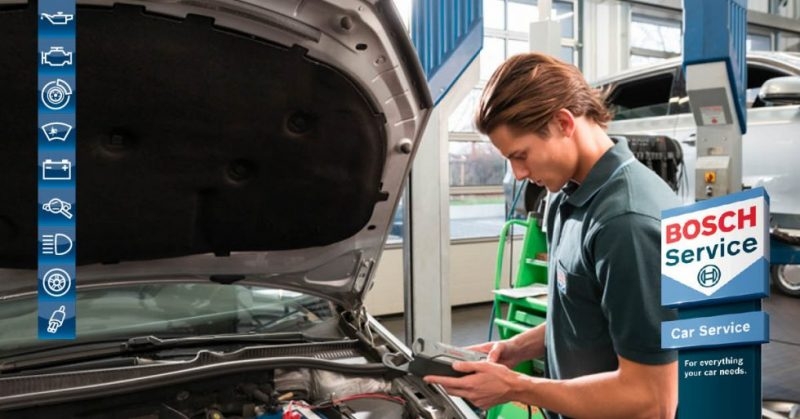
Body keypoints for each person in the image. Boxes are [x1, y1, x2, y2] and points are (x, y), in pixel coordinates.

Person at [423, 53, 680, 419]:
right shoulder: (565, 196)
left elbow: (653, 401)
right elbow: (584, 312)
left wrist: (517, 387)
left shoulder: (626, 223)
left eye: (521, 155)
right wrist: (515, 348)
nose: (519, 173)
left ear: (562, 123)